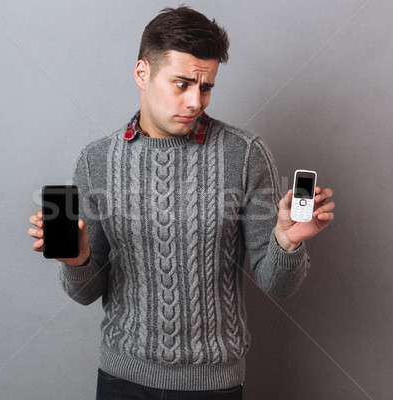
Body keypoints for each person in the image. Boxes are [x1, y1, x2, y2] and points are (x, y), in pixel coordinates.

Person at [28, 6, 335, 400]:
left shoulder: (246, 154)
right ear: (143, 73)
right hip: (122, 379)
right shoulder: (96, 161)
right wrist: (78, 259)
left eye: (205, 87)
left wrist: (288, 242)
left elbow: (279, 286)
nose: (196, 101)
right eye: (182, 83)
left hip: (214, 385)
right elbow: (85, 293)